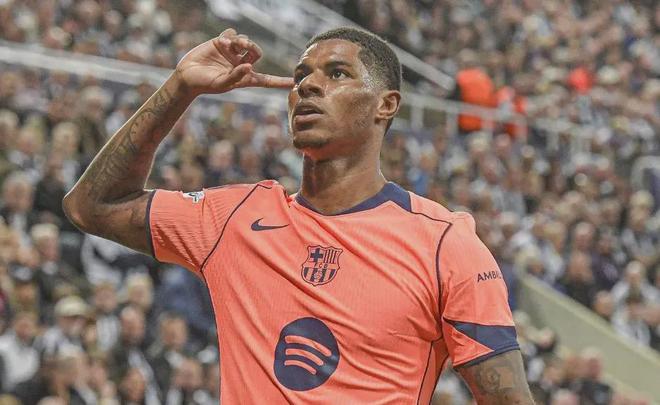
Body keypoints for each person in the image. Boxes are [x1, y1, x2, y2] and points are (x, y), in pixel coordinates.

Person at [63, 27, 533, 403]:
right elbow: (93, 206)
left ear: (386, 104)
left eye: (337, 73)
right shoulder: (233, 218)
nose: (307, 84)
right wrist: (180, 87)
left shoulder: (445, 243)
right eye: (301, 74)